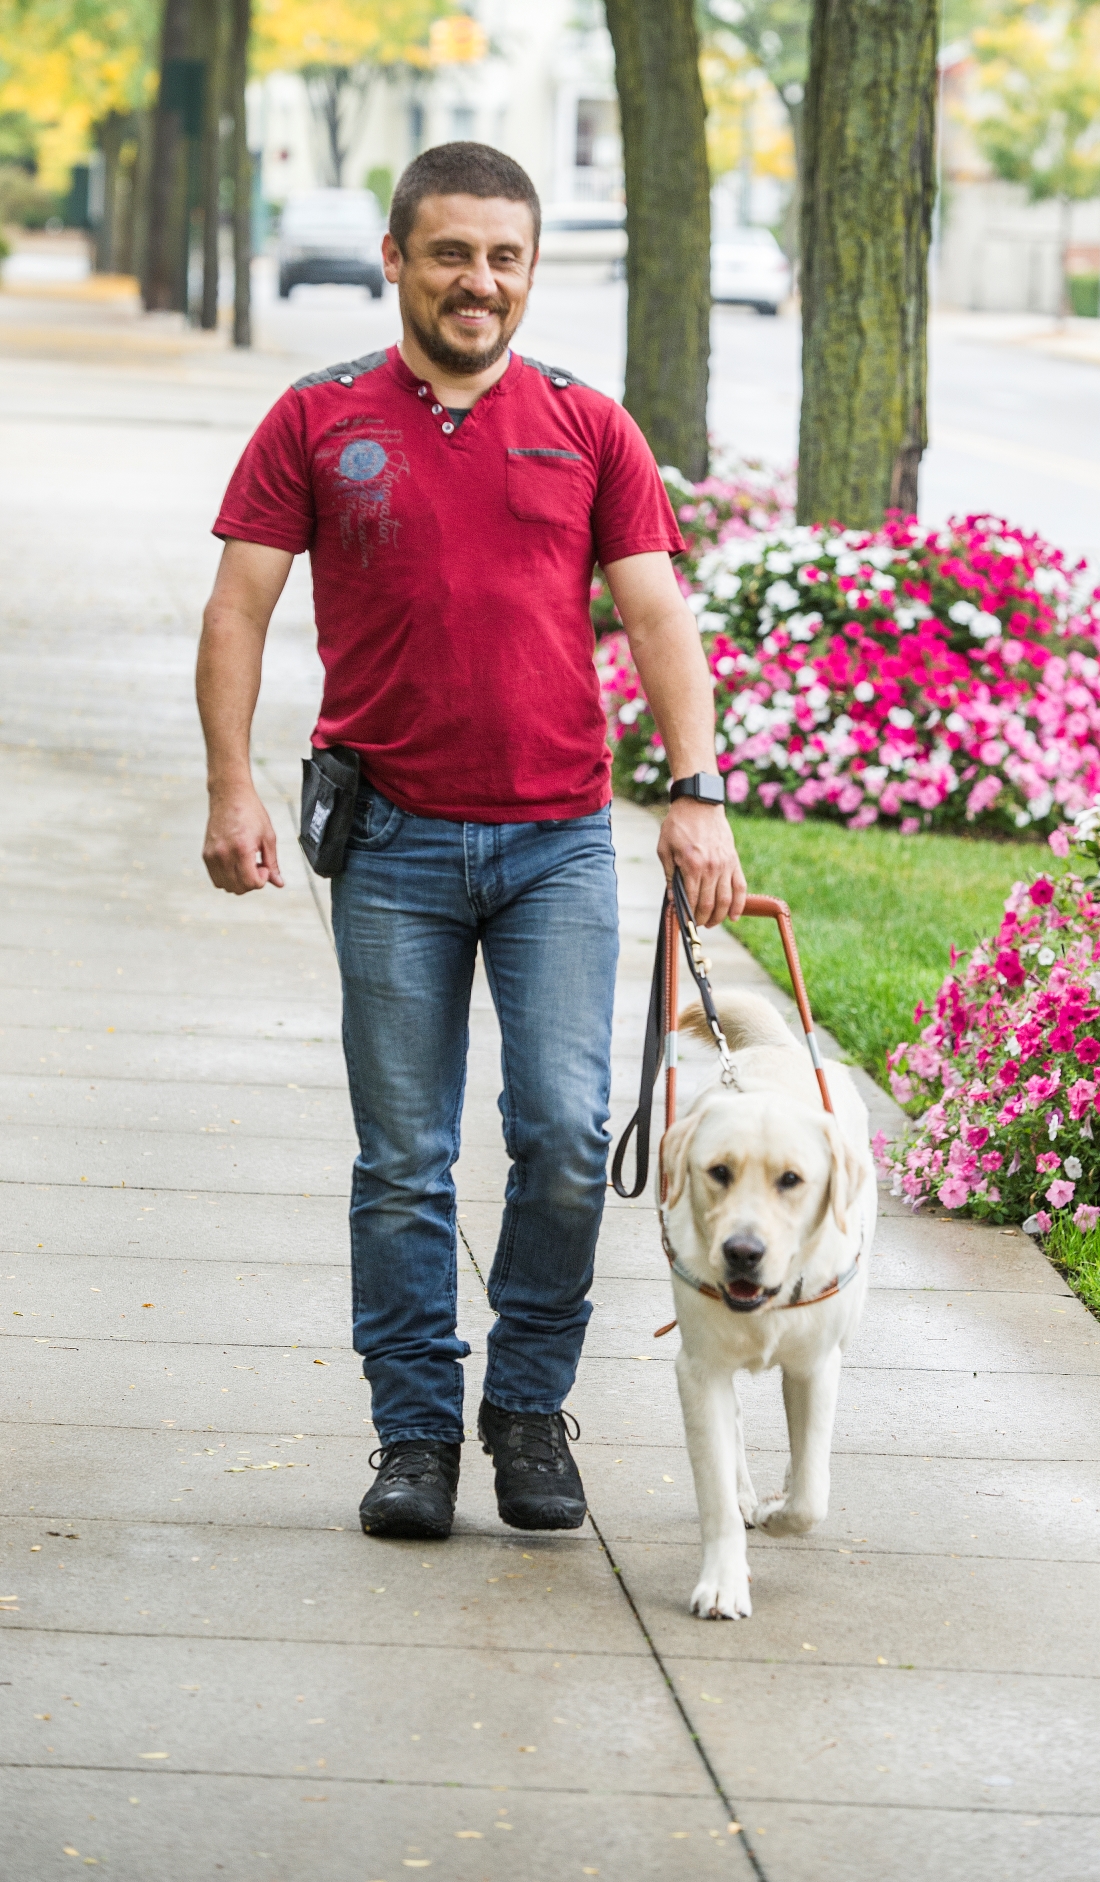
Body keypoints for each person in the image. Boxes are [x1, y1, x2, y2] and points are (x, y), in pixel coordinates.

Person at [197, 142, 745, 1541]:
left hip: (558, 842)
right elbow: (240, 609)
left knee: (564, 1136)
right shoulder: (317, 420)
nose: (477, 281)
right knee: (404, 1159)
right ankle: (414, 1435)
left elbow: (658, 613)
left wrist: (696, 788)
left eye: (503, 256)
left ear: (531, 268)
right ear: (395, 259)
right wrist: (231, 789)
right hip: (389, 847)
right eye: (450, 252)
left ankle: (527, 1411)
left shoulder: (586, 425)